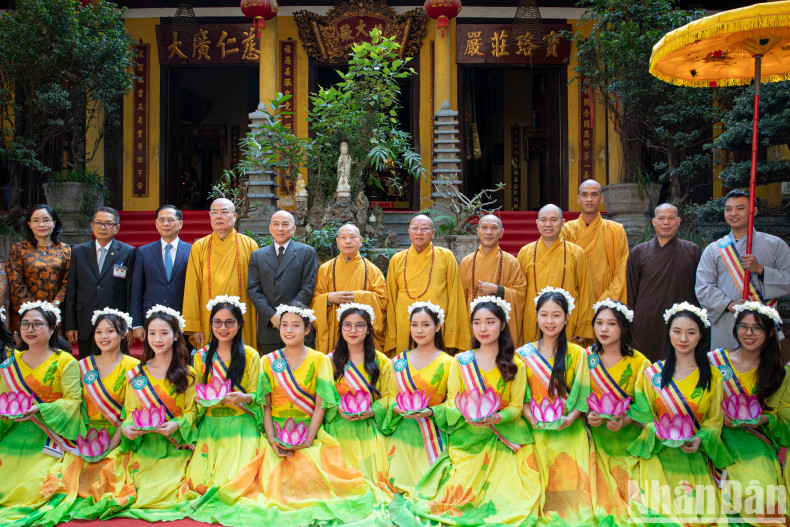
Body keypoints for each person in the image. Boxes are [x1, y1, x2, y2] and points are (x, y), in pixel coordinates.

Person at [391, 297, 540, 526]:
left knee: (512, 496)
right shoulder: (461, 361)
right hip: (466, 440)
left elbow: (517, 407)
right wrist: (446, 412)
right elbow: (452, 402)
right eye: (477, 322)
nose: (483, 328)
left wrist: (497, 417)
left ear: (502, 325)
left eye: (490, 322)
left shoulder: (515, 364)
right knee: (455, 497)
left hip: (502, 437)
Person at [232, 303, 375, 525]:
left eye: (296, 325)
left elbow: (321, 405)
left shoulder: (320, 360)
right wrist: (272, 440)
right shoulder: (267, 361)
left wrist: (308, 440)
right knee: (269, 489)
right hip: (275, 434)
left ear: (307, 330)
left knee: (315, 484)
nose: (289, 330)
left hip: (309, 433)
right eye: (285, 325)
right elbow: (266, 406)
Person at [628, 302, 732, 524]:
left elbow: (714, 420)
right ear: (669, 333)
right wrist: (655, 432)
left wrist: (698, 439)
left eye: (690, 332)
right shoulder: (652, 374)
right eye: (677, 331)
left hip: (693, 455)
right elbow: (642, 415)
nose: (683, 339)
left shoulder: (713, 377)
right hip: (658, 455)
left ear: (701, 336)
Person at [46, 308, 140, 524]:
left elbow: (130, 413)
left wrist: (111, 446)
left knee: (110, 480)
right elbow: (75, 407)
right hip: (86, 436)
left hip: (118, 437)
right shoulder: (82, 366)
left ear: (123, 333)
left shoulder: (134, 367)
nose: (104, 337)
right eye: (99, 332)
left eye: (110, 331)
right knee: (65, 479)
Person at [110, 306, 196, 521]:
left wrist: (176, 425)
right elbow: (130, 413)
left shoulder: (188, 374)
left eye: (164, 333)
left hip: (175, 445)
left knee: (170, 487)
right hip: (144, 445)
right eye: (152, 333)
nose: (158, 339)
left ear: (176, 336)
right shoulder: (136, 374)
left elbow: (192, 412)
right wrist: (127, 429)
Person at [183, 296, 264, 524]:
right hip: (211, 424)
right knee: (199, 483)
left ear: (239, 324)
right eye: (217, 322)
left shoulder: (250, 355)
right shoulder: (200, 356)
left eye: (230, 322)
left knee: (235, 482)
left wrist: (246, 397)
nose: (223, 327)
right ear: (211, 324)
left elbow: (258, 394)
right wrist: (200, 399)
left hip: (242, 422)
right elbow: (194, 395)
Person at [517, 288, 594, 526]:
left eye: (556, 315)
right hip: (534, 426)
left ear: (567, 317)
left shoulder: (578, 353)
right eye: (544, 315)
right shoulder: (523, 354)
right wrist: (531, 418)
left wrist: (570, 419)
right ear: (537, 316)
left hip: (568, 426)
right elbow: (522, 397)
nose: (549, 321)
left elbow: (582, 395)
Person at [707, 302, 790, 524]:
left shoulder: (777, 372)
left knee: (761, 491)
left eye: (757, 328)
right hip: (715, 438)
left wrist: (763, 419)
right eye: (743, 327)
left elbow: (783, 414)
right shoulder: (714, 361)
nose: (748, 333)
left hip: (755, 441)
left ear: (770, 333)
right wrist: (714, 415)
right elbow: (694, 400)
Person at [0, 302, 81, 525]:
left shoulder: (65, 362)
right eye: (25, 324)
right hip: (14, 435)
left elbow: (73, 401)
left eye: (37, 324)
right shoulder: (9, 364)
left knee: (37, 485)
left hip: (50, 435)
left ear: (53, 328)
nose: (30, 329)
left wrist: (41, 409)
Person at [696, 189, 790, 349]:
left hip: (761, 322)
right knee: (726, 369)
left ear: (754, 211)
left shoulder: (775, 245)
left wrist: (760, 270)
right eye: (728, 209)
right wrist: (730, 304)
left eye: (740, 208)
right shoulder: (714, 249)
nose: (733, 213)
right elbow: (703, 288)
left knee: (764, 369)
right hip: (728, 319)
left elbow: (788, 280)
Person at [584, 300, 650, 527]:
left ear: (623, 327)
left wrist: (626, 419)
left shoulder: (640, 362)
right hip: (592, 436)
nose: (603, 329)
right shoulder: (585, 358)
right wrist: (587, 416)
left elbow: (645, 406)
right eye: (599, 323)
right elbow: (575, 399)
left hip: (626, 436)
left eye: (611, 324)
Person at [323, 303, 395, 510]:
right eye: (347, 325)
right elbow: (325, 396)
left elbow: (390, 397)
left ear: (369, 329)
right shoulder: (329, 361)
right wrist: (338, 409)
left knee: (371, 484)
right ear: (340, 329)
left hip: (369, 428)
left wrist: (373, 410)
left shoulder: (382, 362)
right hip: (338, 428)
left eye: (359, 325)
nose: (353, 330)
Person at [383, 301, 454, 497]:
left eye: (425, 324)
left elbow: (454, 403)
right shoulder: (397, 363)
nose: (419, 330)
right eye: (414, 324)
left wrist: (432, 411)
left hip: (435, 435)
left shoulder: (450, 363)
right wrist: (395, 408)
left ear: (437, 326)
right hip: (402, 435)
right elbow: (388, 397)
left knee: (436, 489)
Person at [385, 214, 470, 355]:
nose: (419, 232)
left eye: (424, 229)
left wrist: (451, 332)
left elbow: (455, 295)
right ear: (409, 232)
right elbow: (391, 298)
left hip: (436, 324)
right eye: (415, 228)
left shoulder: (446, 256)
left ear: (433, 233)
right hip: (404, 323)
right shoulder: (397, 259)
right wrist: (392, 333)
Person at [627, 203, 701, 360]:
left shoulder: (692, 251)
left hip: (682, 322)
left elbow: (699, 289)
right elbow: (631, 291)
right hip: (647, 321)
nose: (666, 223)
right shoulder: (639, 252)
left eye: (671, 218)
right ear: (654, 222)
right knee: (646, 364)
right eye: (661, 218)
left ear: (679, 221)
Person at [183, 199, 259, 351]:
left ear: (234, 215)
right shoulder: (199, 247)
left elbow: (257, 287)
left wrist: (258, 322)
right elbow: (192, 287)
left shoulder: (250, 245)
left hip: (243, 318)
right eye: (214, 213)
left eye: (224, 212)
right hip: (208, 318)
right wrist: (195, 326)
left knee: (243, 359)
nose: (218, 216)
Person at [64, 207, 137, 358]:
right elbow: (72, 289)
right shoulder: (78, 251)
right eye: (98, 223)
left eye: (108, 224)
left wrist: (130, 324)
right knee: (89, 367)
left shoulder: (127, 252)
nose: (103, 227)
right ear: (92, 226)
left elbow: (131, 291)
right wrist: (70, 324)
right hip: (86, 321)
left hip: (116, 322)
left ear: (117, 228)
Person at [517, 204, 595, 344]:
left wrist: (584, 327)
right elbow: (518, 291)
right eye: (543, 220)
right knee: (534, 363)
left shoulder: (576, 252)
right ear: (537, 223)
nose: (548, 224)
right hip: (533, 321)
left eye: (553, 219)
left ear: (562, 223)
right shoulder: (525, 252)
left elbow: (585, 291)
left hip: (567, 320)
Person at [247, 210, 319, 354]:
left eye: (285, 224)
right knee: (272, 371)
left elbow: (308, 287)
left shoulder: (306, 252)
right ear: (270, 228)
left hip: (297, 324)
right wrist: (272, 316)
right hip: (269, 325)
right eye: (276, 224)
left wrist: (288, 316)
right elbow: (253, 290)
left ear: (293, 229)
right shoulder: (258, 255)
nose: (280, 228)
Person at [311, 224, 387, 353]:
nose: (348, 241)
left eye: (352, 237)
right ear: (337, 242)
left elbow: (382, 300)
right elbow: (314, 299)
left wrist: (357, 297)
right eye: (343, 237)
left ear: (361, 241)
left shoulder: (373, 271)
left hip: (362, 330)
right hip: (333, 330)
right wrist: (329, 298)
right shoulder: (325, 269)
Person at [460, 214, 528, 346]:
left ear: (501, 233)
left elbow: (521, 293)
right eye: (484, 228)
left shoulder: (511, 262)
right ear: (478, 232)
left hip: (501, 325)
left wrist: (498, 290)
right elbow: (459, 298)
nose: (489, 232)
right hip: (473, 323)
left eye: (494, 228)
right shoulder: (466, 262)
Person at [130, 205, 192, 343]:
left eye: (170, 220)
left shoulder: (192, 251)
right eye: (161, 220)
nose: (166, 223)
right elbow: (136, 290)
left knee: (181, 361)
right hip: (151, 318)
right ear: (156, 224)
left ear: (180, 223)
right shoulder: (144, 252)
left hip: (182, 318)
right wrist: (137, 323)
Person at [561, 180, 629, 304]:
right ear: (578, 198)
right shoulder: (567, 230)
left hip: (608, 302)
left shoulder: (616, 230)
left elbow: (622, 271)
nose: (589, 199)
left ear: (601, 198)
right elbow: (564, 271)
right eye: (584, 194)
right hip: (577, 302)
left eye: (594, 194)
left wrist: (605, 302)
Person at [8, 204, 71, 336]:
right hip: (27, 312)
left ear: (54, 223)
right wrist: (35, 308)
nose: (41, 224)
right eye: (36, 220)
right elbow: (16, 281)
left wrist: (55, 303)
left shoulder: (65, 249)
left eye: (46, 220)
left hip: (57, 311)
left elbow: (68, 280)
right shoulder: (19, 249)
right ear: (29, 224)